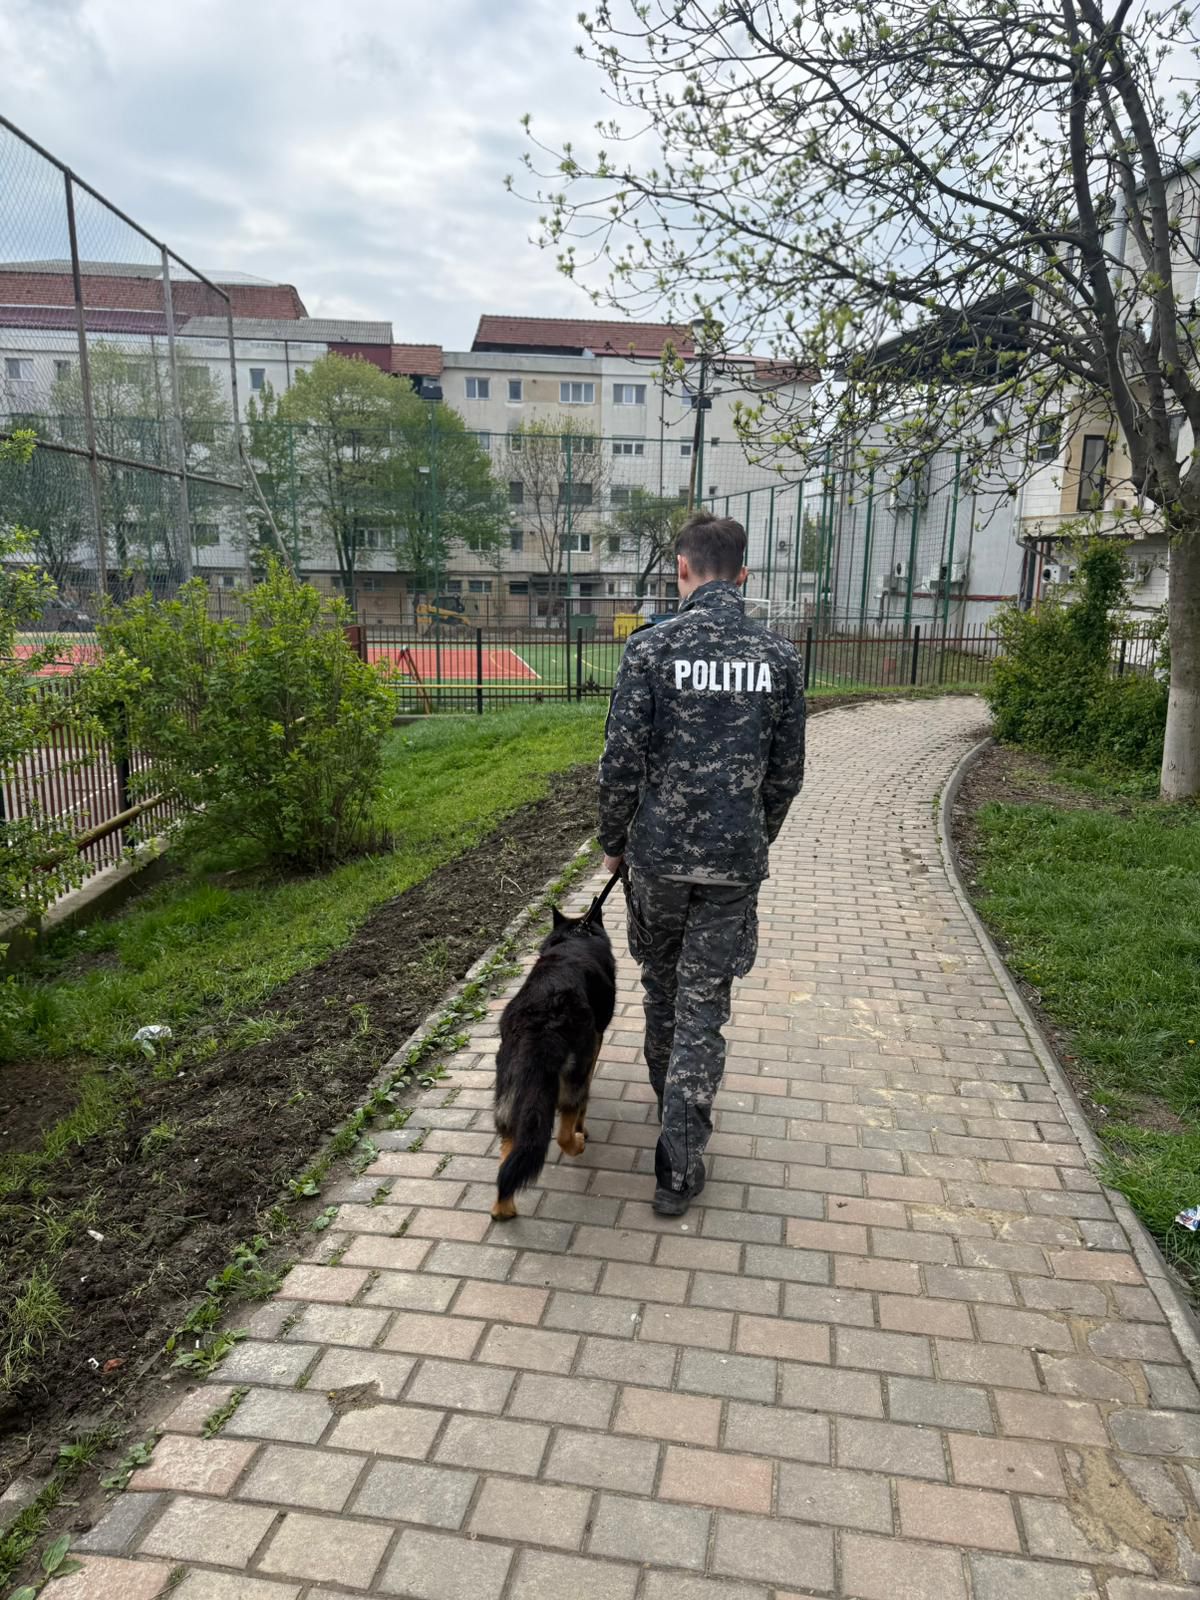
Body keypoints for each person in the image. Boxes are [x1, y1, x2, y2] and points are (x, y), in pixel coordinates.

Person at [598, 511, 806, 1215]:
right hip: (731, 866)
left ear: (681, 569)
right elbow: (787, 773)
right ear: (743, 574)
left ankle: (671, 1111)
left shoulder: (651, 649)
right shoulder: (779, 658)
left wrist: (613, 842)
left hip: (657, 861)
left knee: (662, 989)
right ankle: (679, 1163)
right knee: (703, 1006)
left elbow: (619, 762)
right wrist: (756, 836)